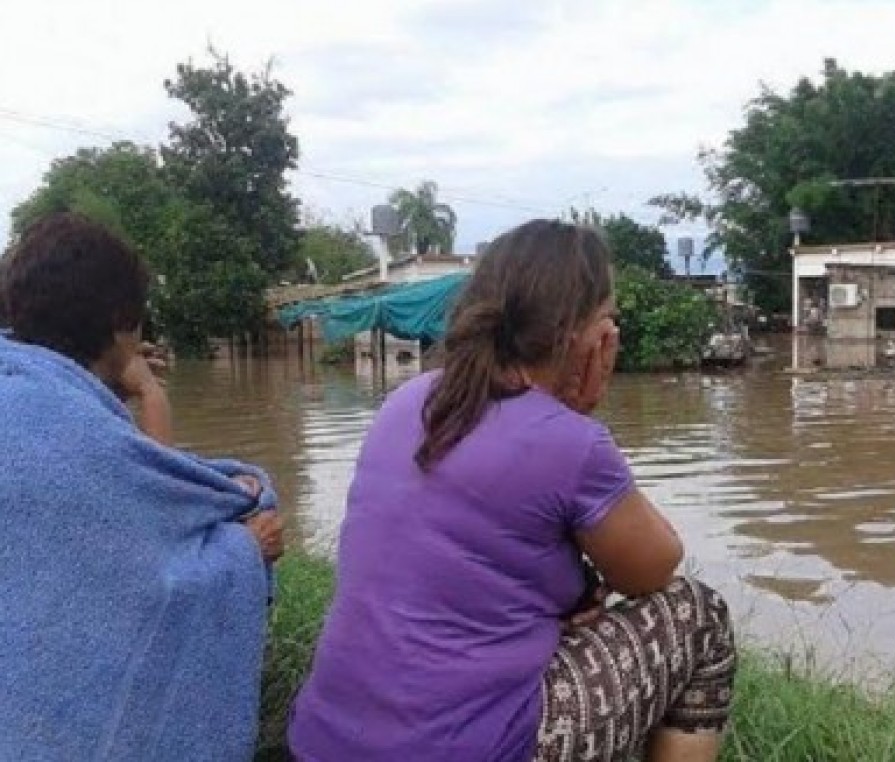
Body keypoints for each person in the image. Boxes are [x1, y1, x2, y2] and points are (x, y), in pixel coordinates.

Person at [289, 220, 736, 762]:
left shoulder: (408, 400)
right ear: (581, 336)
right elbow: (652, 569)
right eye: (608, 319)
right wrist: (576, 416)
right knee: (699, 614)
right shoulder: (569, 441)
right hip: (461, 748)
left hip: (323, 742)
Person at [0, 212, 283, 761]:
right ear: (121, 323)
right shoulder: (75, 432)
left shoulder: (23, 395)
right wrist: (243, 551)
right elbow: (161, 560)